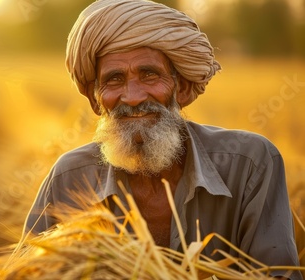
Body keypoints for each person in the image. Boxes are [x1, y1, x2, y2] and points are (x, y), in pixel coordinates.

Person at [23, 0, 302, 278]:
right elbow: (28, 272)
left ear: (180, 87)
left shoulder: (250, 164)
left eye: (149, 75)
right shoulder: (69, 177)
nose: (132, 97)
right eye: (114, 79)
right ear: (97, 101)